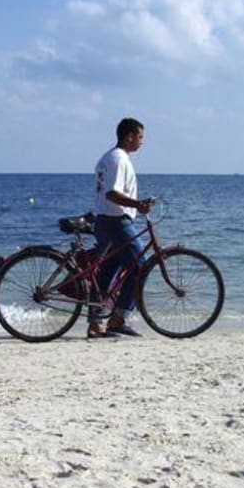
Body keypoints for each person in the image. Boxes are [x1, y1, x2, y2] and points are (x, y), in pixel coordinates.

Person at [88, 117, 152, 339]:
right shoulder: (118, 159)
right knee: (141, 266)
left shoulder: (109, 157)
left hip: (104, 221)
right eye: (140, 137)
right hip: (115, 221)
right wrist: (137, 204)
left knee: (107, 272)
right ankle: (118, 319)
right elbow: (112, 194)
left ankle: (96, 324)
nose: (142, 141)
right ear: (129, 136)